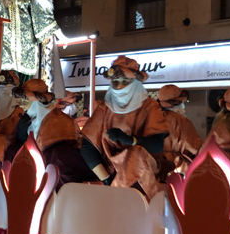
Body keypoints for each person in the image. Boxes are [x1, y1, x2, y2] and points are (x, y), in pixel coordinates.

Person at [79, 56, 169, 199]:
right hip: (111, 175)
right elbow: (87, 147)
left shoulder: (149, 107)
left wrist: (131, 140)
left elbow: (157, 145)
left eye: (125, 81)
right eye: (115, 82)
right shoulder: (104, 109)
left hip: (143, 174)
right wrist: (107, 180)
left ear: (135, 82)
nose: (119, 86)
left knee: (137, 153)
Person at [12, 79, 94, 189]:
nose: (21, 105)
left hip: (59, 170)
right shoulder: (27, 123)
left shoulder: (63, 121)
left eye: (25, 101)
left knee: (58, 156)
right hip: (39, 169)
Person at [156, 85, 201, 178]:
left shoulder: (149, 118)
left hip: (154, 167)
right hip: (176, 169)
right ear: (177, 104)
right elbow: (194, 148)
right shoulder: (182, 122)